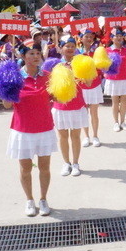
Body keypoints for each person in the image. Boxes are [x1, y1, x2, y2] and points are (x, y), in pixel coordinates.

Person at [2, 45, 57, 216]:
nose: (35, 56)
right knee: (26, 168)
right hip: (23, 131)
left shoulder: (48, 77)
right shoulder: (15, 77)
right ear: (23, 56)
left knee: (44, 167)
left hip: (44, 128)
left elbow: (56, 98)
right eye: (31, 53)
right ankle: (29, 200)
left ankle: (43, 199)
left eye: (38, 53)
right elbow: (7, 105)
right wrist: (7, 88)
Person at [52, 37, 88, 177]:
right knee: (62, 136)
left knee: (75, 136)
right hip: (60, 106)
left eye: (72, 46)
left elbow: (89, 84)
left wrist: (85, 76)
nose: (70, 48)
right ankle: (66, 163)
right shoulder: (55, 65)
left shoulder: (80, 64)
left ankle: (75, 163)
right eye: (67, 46)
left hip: (76, 105)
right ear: (61, 48)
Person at [77, 30, 102, 148]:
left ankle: (95, 136)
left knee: (94, 112)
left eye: (90, 36)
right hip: (82, 87)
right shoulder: (77, 53)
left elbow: (101, 67)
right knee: (84, 112)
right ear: (81, 39)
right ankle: (86, 136)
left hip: (95, 85)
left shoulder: (97, 52)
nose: (88, 38)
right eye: (86, 36)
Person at [105, 27, 126, 132]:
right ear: (112, 38)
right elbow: (103, 67)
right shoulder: (107, 51)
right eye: (116, 36)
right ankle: (116, 122)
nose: (119, 38)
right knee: (115, 101)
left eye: (121, 36)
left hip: (125, 78)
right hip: (113, 79)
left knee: (125, 101)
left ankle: (123, 122)